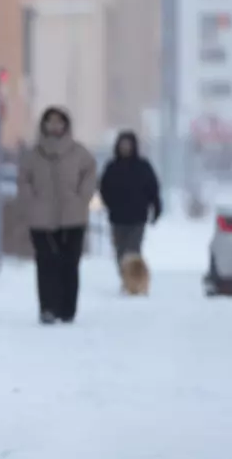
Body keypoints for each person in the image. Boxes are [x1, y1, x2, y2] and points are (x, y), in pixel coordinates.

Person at [17, 106, 97, 325]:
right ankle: (48, 308)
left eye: (59, 122)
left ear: (66, 125)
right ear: (43, 125)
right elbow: (23, 180)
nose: (54, 126)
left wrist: (82, 198)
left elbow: (90, 174)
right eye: (50, 122)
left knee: (69, 263)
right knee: (46, 262)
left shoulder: (79, 153)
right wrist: (30, 201)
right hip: (40, 218)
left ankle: (67, 309)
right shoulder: (33, 155)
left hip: (73, 216)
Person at [98, 130, 163, 265]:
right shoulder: (112, 167)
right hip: (117, 217)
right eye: (123, 144)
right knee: (120, 251)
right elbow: (103, 188)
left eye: (128, 144)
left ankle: (134, 281)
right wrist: (109, 204)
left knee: (133, 250)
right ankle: (126, 278)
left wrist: (156, 208)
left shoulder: (143, 167)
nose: (125, 147)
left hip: (137, 217)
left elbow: (153, 189)